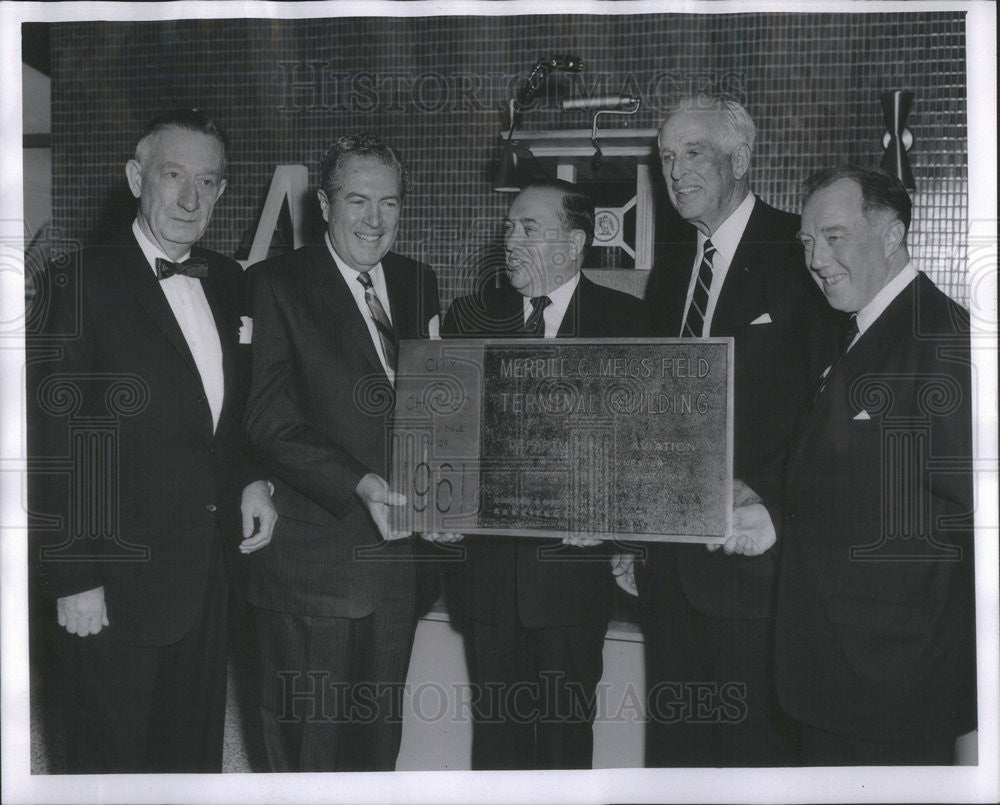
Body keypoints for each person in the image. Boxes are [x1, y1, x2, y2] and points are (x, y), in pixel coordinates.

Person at [28, 109, 277, 773]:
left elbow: (224, 417)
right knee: (106, 769)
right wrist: (73, 575)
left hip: (205, 582)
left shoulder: (228, 281)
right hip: (111, 585)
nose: (190, 197)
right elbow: (54, 441)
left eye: (208, 180)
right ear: (138, 177)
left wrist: (249, 476)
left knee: (191, 764)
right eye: (173, 175)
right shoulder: (79, 279)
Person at [639, 94, 834, 766]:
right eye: (667, 157)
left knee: (752, 762)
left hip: (759, 573)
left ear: (741, 157)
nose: (675, 172)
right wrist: (638, 529)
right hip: (670, 576)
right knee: (677, 761)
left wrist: (768, 497)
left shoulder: (798, 253)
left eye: (693, 153)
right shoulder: (672, 269)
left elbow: (827, 409)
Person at [242, 133, 441, 772]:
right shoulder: (274, 283)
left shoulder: (417, 281)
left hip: (398, 564)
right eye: (357, 200)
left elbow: (438, 402)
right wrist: (357, 481)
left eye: (389, 203)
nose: (374, 220)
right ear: (323, 203)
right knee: (306, 752)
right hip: (311, 562)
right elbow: (266, 419)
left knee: (376, 750)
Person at [442, 179, 651, 769]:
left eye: (528, 229)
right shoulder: (466, 319)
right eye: (509, 227)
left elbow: (649, 448)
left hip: (572, 579)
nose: (510, 240)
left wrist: (618, 527)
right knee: (496, 747)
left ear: (575, 242)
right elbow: (448, 433)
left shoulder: (630, 322)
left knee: (564, 742)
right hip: (486, 580)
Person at [774, 166, 976, 765]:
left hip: (892, 684)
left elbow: (965, 519)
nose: (816, 258)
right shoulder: (862, 333)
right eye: (807, 242)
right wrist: (773, 520)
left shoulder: (944, 340)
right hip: (840, 675)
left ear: (891, 236)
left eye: (833, 237)